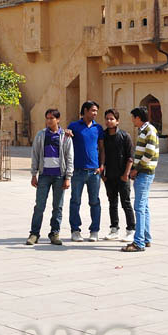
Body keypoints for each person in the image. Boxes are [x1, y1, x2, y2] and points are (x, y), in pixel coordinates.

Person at [27, 109, 73, 246]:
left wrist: (68, 177)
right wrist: (33, 174)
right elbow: (35, 154)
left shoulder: (65, 136)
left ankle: (54, 233)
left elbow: (70, 157)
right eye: (47, 118)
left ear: (58, 120)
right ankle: (34, 233)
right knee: (39, 206)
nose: (49, 121)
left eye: (51, 118)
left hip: (59, 176)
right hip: (44, 176)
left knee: (57, 207)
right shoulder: (41, 135)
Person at [122, 107, 158, 253]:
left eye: (133, 117)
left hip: (145, 172)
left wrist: (136, 169)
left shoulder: (149, 130)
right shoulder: (145, 130)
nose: (132, 120)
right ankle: (146, 238)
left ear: (138, 118)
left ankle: (138, 243)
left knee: (139, 207)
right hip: (144, 172)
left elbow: (148, 153)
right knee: (144, 207)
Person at [66, 101, 103, 241]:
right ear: (85, 111)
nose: (95, 113)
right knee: (75, 201)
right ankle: (75, 230)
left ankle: (94, 231)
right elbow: (66, 143)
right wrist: (67, 133)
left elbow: (102, 148)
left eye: (96, 111)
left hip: (94, 171)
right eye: (93, 110)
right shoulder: (74, 126)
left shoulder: (98, 128)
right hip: (77, 171)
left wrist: (101, 165)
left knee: (95, 202)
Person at [98, 108, 134, 242]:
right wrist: (103, 175)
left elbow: (130, 157)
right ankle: (114, 229)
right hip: (109, 176)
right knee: (112, 203)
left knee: (126, 203)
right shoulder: (103, 136)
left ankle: (131, 230)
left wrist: (126, 174)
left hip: (122, 176)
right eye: (107, 119)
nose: (109, 121)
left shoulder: (125, 136)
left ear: (117, 121)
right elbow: (101, 154)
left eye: (112, 119)